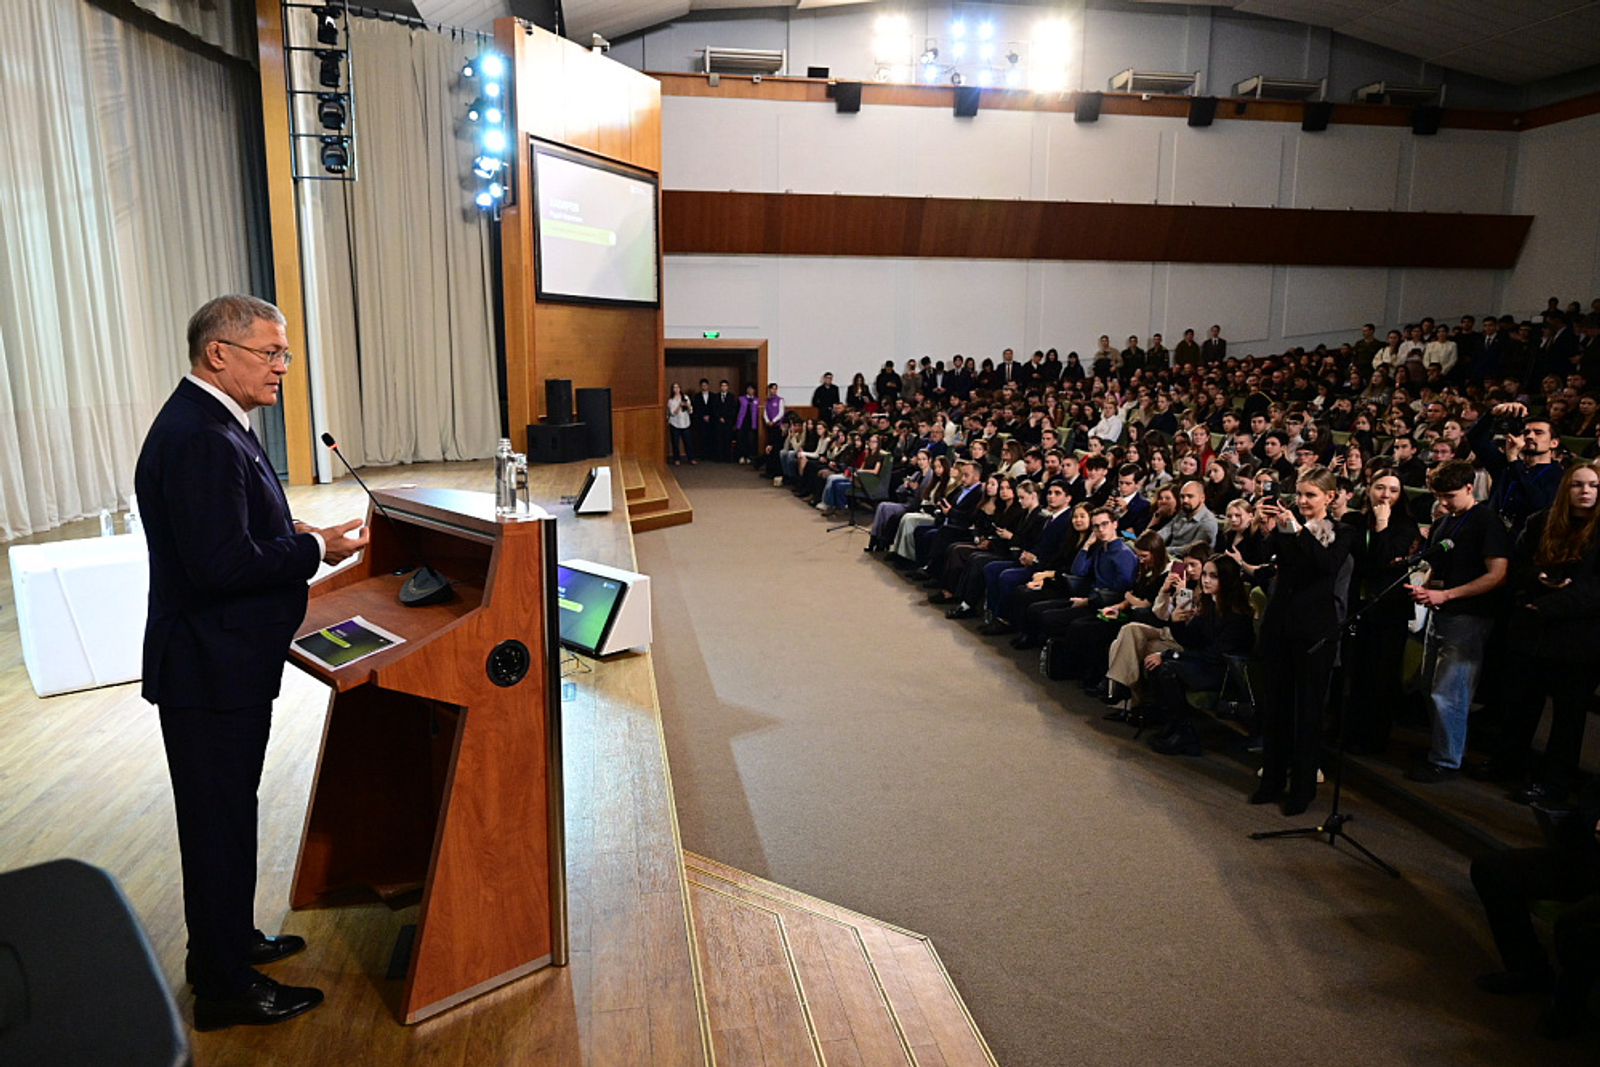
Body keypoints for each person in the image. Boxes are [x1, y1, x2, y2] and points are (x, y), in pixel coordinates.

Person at [136, 295, 368, 1030]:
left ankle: (230, 943)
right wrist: (314, 549)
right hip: (209, 668)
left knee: (229, 816)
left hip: (222, 662)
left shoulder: (213, 422)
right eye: (270, 353)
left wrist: (302, 530)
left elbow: (238, 523)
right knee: (217, 826)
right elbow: (220, 564)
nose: (282, 368)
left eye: (284, 354)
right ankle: (224, 988)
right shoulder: (201, 436)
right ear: (218, 353)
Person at [1493, 461, 1600, 804]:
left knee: (1568, 717)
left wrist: (1549, 605)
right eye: (1578, 484)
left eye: (1593, 485)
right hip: (1532, 630)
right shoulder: (1541, 521)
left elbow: (1596, 590)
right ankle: (1507, 764)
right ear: (1566, 488)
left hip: (1578, 638)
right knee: (1520, 704)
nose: (1585, 491)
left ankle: (1554, 783)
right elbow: (1518, 567)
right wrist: (1537, 581)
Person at [1252, 466, 1355, 815]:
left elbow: (1326, 564)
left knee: (1307, 712)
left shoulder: (1343, 532)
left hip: (1315, 633)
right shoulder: (1288, 525)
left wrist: (1297, 530)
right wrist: (1268, 528)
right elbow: (1270, 558)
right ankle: (1271, 780)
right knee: (1275, 707)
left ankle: (1302, 788)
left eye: (1311, 495)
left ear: (1330, 496)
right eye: (1299, 494)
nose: (1303, 501)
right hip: (1280, 626)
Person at [1405, 459, 1510, 783]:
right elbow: (1438, 566)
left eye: (1450, 496)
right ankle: (1442, 750)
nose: (1444, 503)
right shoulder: (1445, 521)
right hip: (1442, 611)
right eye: (1439, 496)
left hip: (1468, 615)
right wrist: (1426, 588)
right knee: (1429, 686)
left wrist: (1447, 595)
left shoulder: (1487, 521)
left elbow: (1497, 574)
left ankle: (1446, 760)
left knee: (1450, 692)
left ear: (1469, 487)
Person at [1144, 555, 1256, 756]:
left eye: (1213, 576)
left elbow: (1215, 656)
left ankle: (1185, 733)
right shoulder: (1209, 605)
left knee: (1167, 668)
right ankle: (1177, 726)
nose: (1206, 580)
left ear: (1227, 579)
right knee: (1158, 666)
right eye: (1204, 574)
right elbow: (1190, 641)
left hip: (1223, 672)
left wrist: (1169, 655)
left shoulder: (1238, 615)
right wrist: (1176, 622)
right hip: (1205, 665)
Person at [1343, 471, 1421, 754]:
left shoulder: (1406, 526)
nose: (1385, 495)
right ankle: (1347, 729)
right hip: (1357, 603)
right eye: (1380, 487)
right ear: (1368, 489)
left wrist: (1383, 523)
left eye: (1393, 490)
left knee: (1381, 674)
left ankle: (1373, 738)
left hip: (1389, 609)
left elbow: (1383, 557)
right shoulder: (1354, 521)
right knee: (1354, 671)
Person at [666, 382, 694, 466]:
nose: (676, 389)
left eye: (678, 387)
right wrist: (679, 405)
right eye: (674, 387)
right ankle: (676, 459)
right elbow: (673, 413)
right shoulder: (671, 400)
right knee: (675, 442)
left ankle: (691, 458)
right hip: (675, 424)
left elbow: (691, 411)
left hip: (685, 423)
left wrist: (687, 405)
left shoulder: (685, 397)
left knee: (688, 442)